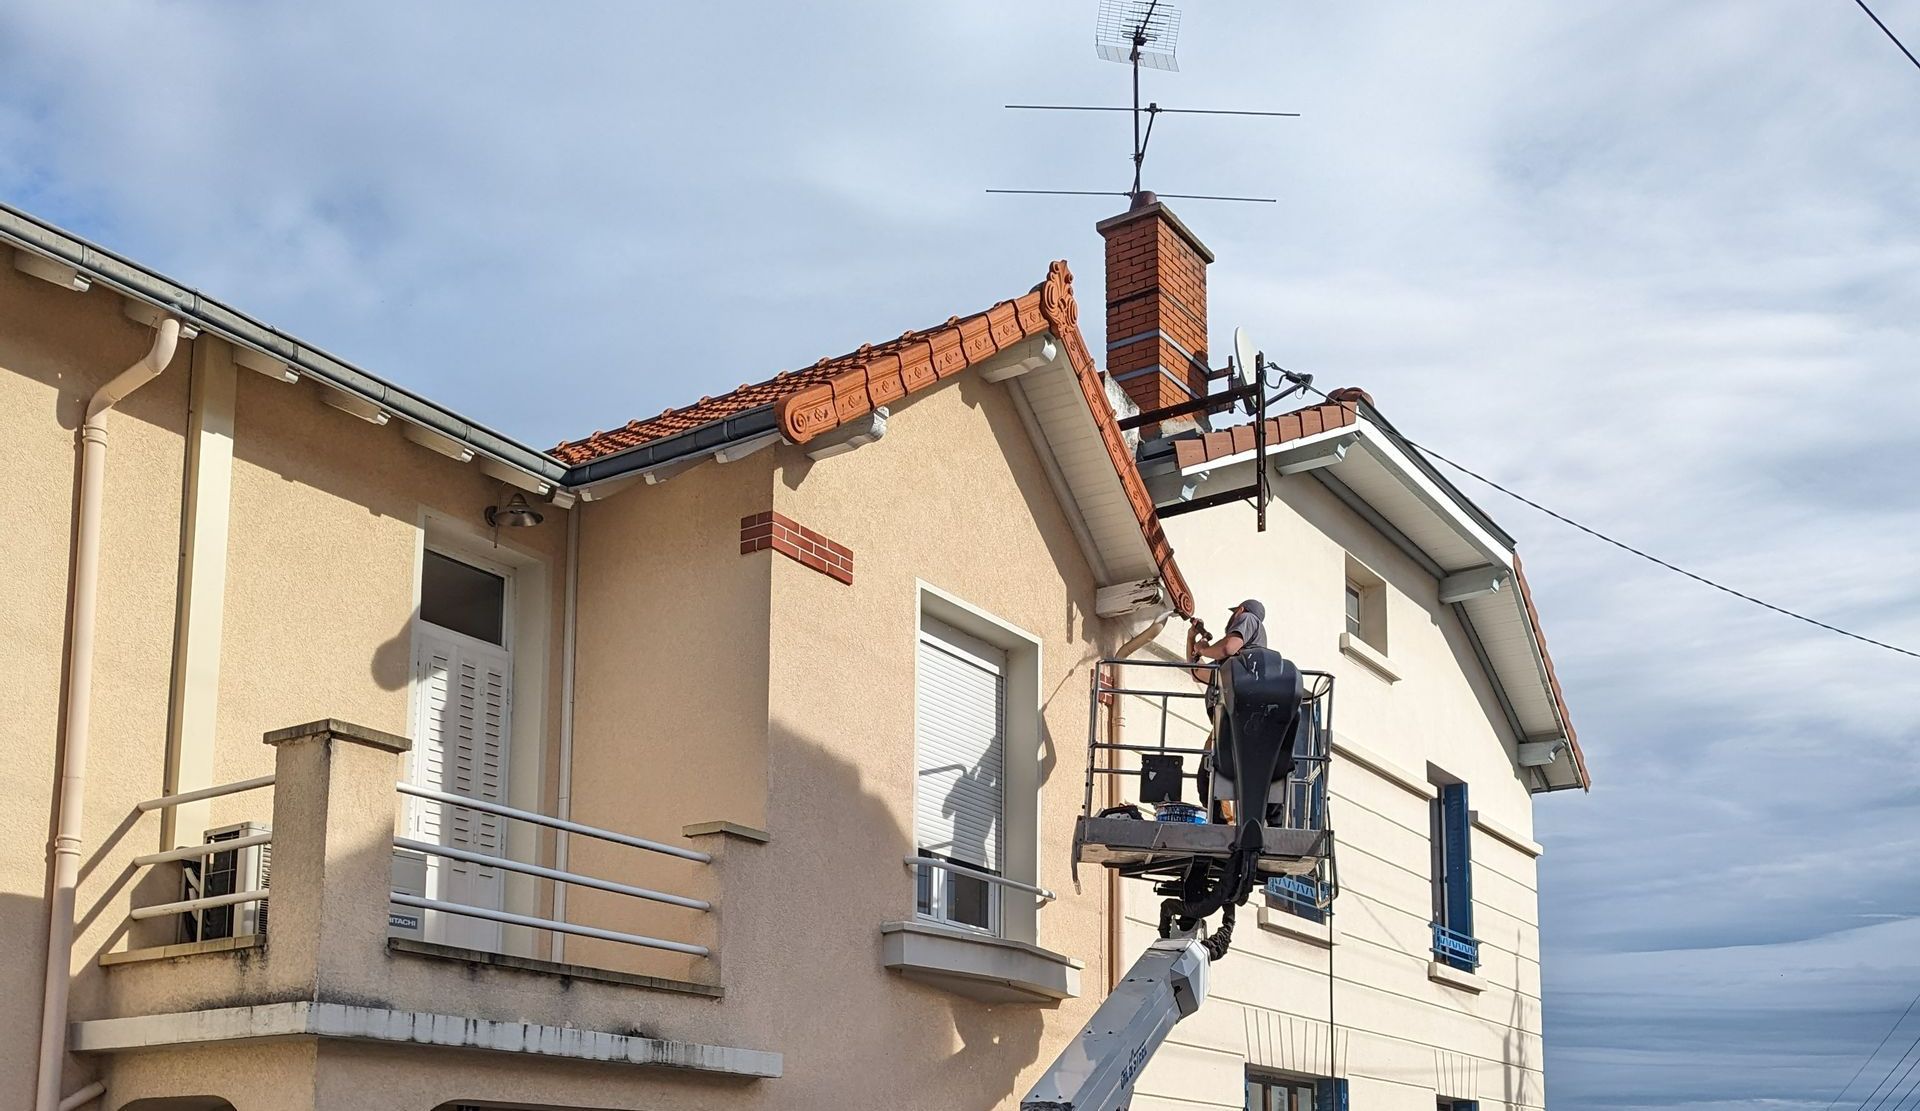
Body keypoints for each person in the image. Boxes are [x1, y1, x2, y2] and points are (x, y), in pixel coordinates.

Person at [1188, 599, 1266, 682]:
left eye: (1234, 612)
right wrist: (1191, 637)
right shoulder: (1236, 661)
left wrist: (1202, 650)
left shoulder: (1248, 617)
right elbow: (1196, 674)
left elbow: (1227, 648)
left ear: (1240, 610)